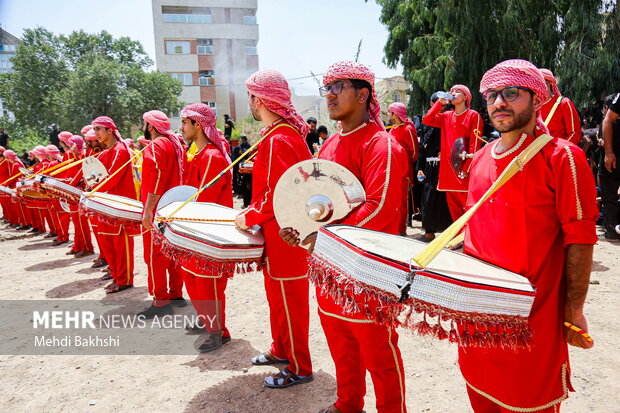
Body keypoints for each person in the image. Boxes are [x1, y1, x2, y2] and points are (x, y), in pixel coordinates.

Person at [461, 59, 597, 412]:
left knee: (529, 401)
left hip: (533, 317)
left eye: (511, 93)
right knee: (480, 394)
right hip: (478, 315)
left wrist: (574, 309)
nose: (498, 103)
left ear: (537, 99)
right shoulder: (479, 158)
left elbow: (580, 238)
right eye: (491, 95)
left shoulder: (563, 157)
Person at [281, 61, 409, 413]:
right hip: (329, 270)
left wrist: (321, 239)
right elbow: (314, 198)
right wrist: (296, 224)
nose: (330, 95)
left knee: (379, 354)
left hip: (367, 270)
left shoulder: (381, 145)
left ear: (363, 93)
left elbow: (379, 208)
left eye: (338, 86)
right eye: (327, 88)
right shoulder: (329, 144)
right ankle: (348, 404)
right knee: (340, 345)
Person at [235, 70, 314, 388]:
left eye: (251, 97)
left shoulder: (280, 138)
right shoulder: (279, 135)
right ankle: (282, 350)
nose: (250, 103)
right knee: (277, 296)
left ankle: (300, 366)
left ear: (260, 100)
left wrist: (249, 216)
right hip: (277, 233)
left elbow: (279, 194)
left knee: (290, 300)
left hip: (286, 235)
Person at [179, 102, 234, 352]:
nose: (180, 127)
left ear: (197, 125)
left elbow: (204, 200)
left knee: (208, 282)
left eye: (184, 122)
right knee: (192, 278)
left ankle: (218, 332)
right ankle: (206, 320)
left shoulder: (212, 157)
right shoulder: (198, 154)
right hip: (192, 228)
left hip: (207, 230)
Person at [139, 110, 188, 317]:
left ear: (150, 126)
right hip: (173, 205)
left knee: (155, 256)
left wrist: (149, 209)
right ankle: (176, 293)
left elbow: (157, 178)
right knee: (173, 253)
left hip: (158, 207)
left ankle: (161, 302)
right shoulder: (175, 144)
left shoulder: (157, 145)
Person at [422, 84, 483, 221]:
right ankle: (458, 240)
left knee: (468, 209)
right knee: (454, 209)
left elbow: (475, 145)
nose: (453, 93)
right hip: (447, 171)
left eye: (457, 91)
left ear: (466, 97)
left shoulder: (473, 115)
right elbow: (427, 120)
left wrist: (467, 167)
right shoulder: (446, 116)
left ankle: (469, 240)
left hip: (463, 171)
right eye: (452, 91)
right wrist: (439, 103)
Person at [91, 116, 137, 294]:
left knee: (120, 244)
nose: (95, 134)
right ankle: (117, 276)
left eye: (98, 129)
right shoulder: (105, 152)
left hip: (119, 205)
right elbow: (93, 175)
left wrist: (92, 190)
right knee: (108, 242)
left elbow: (112, 178)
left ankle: (124, 279)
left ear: (110, 130)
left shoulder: (120, 150)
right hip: (104, 204)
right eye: (94, 130)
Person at [416, 93, 453, 242]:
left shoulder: (448, 119)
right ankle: (429, 232)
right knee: (428, 198)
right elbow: (422, 146)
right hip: (429, 166)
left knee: (445, 199)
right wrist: (420, 167)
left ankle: (449, 234)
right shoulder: (428, 122)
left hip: (445, 164)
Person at [388, 101, 419, 235]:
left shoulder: (408, 129)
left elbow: (414, 152)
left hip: (403, 169)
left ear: (395, 114)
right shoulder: (392, 129)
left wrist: (404, 161)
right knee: (392, 200)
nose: (388, 114)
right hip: (392, 169)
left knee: (402, 201)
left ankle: (401, 229)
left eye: (390, 112)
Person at [539, 68, 582, 145]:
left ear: (548, 83)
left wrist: (559, 152)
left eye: (539, 82)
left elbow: (574, 134)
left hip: (559, 154)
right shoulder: (534, 106)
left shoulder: (563, 103)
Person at [599, 93, 620, 240]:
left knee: (610, 197)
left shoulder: (608, 123)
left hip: (610, 161)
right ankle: (611, 229)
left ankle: (612, 229)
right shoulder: (608, 123)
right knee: (609, 196)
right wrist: (609, 152)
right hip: (612, 161)